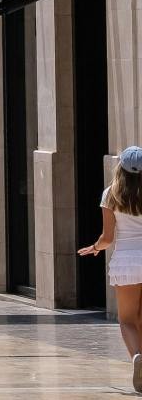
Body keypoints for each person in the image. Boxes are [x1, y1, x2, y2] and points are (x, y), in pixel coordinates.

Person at [78, 143, 142, 392]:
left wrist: (95, 247)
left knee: (126, 319)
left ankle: (137, 357)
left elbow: (108, 237)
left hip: (126, 262)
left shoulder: (111, 194)